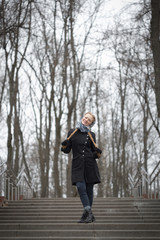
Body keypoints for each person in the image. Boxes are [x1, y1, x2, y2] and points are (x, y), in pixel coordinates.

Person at [61, 112, 102, 223]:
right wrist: (64, 145)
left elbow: (94, 152)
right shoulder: (72, 132)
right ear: (82, 117)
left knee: (89, 190)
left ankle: (86, 215)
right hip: (77, 165)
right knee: (80, 187)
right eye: (85, 118)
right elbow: (67, 150)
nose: (86, 120)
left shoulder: (91, 135)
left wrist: (97, 153)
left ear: (91, 123)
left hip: (90, 165)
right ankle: (89, 213)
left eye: (89, 120)